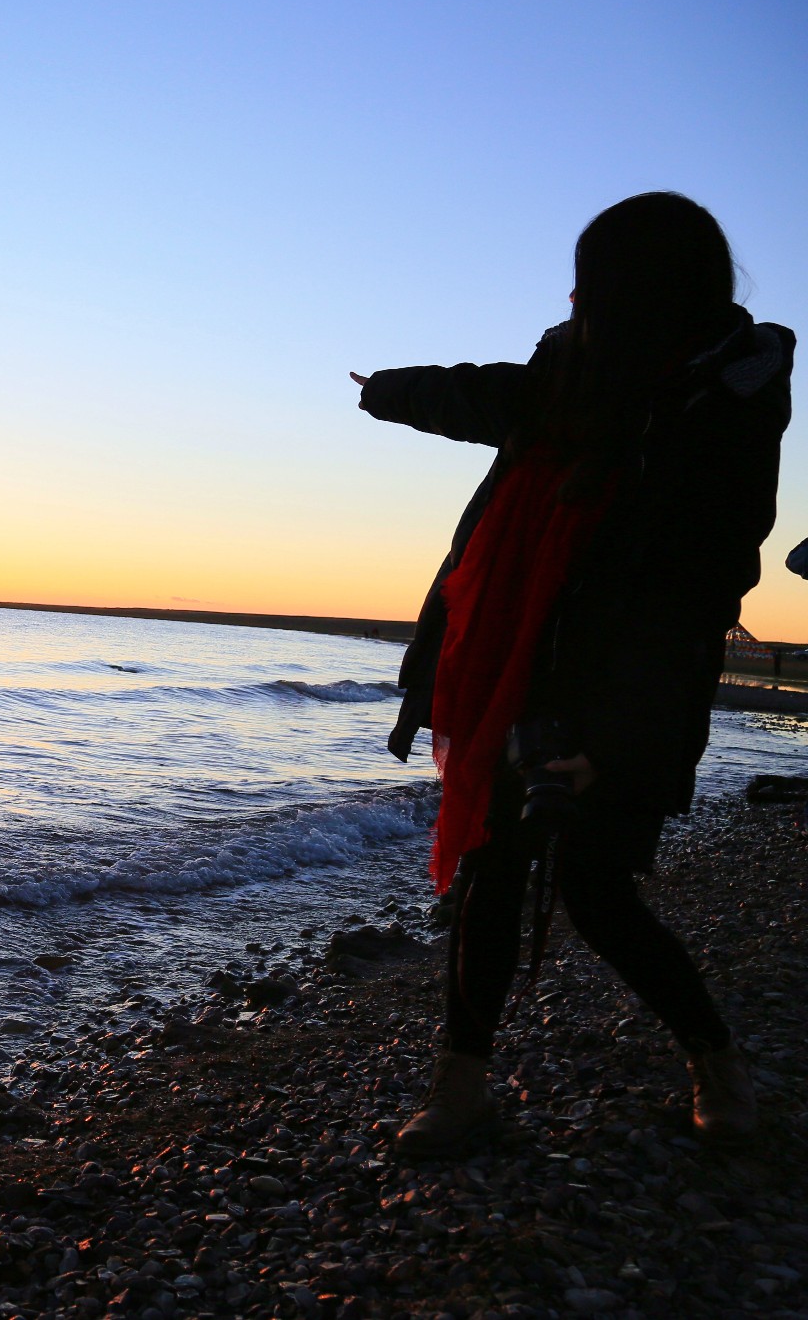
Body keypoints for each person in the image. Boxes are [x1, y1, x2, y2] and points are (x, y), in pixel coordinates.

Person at [351, 192, 794, 1156]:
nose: (569, 296)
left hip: (630, 685)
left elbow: (696, 591)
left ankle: (716, 1057)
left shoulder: (725, 403)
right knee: (490, 872)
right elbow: (488, 395)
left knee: (597, 889)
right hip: (518, 655)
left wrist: (608, 740)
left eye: (589, 282)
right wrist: (390, 388)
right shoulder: (571, 368)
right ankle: (461, 1089)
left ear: (641, 294)